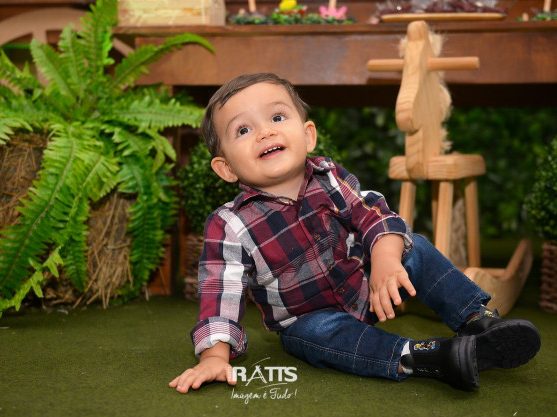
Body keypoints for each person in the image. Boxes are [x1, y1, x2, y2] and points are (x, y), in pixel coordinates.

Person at [169, 73, 541, 393]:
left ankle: (477, 320)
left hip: (367, 287)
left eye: (277, 117)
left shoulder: (328, 177)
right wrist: (214, 356)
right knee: (317, 338)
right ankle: (426, 356)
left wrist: (385, 259)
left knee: (414, 248)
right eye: (243, 129)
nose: (266, 132)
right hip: (310, 319)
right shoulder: (230, 225)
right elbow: (220, 290)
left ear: (308, 135)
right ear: (226, 168)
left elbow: (374, 213)